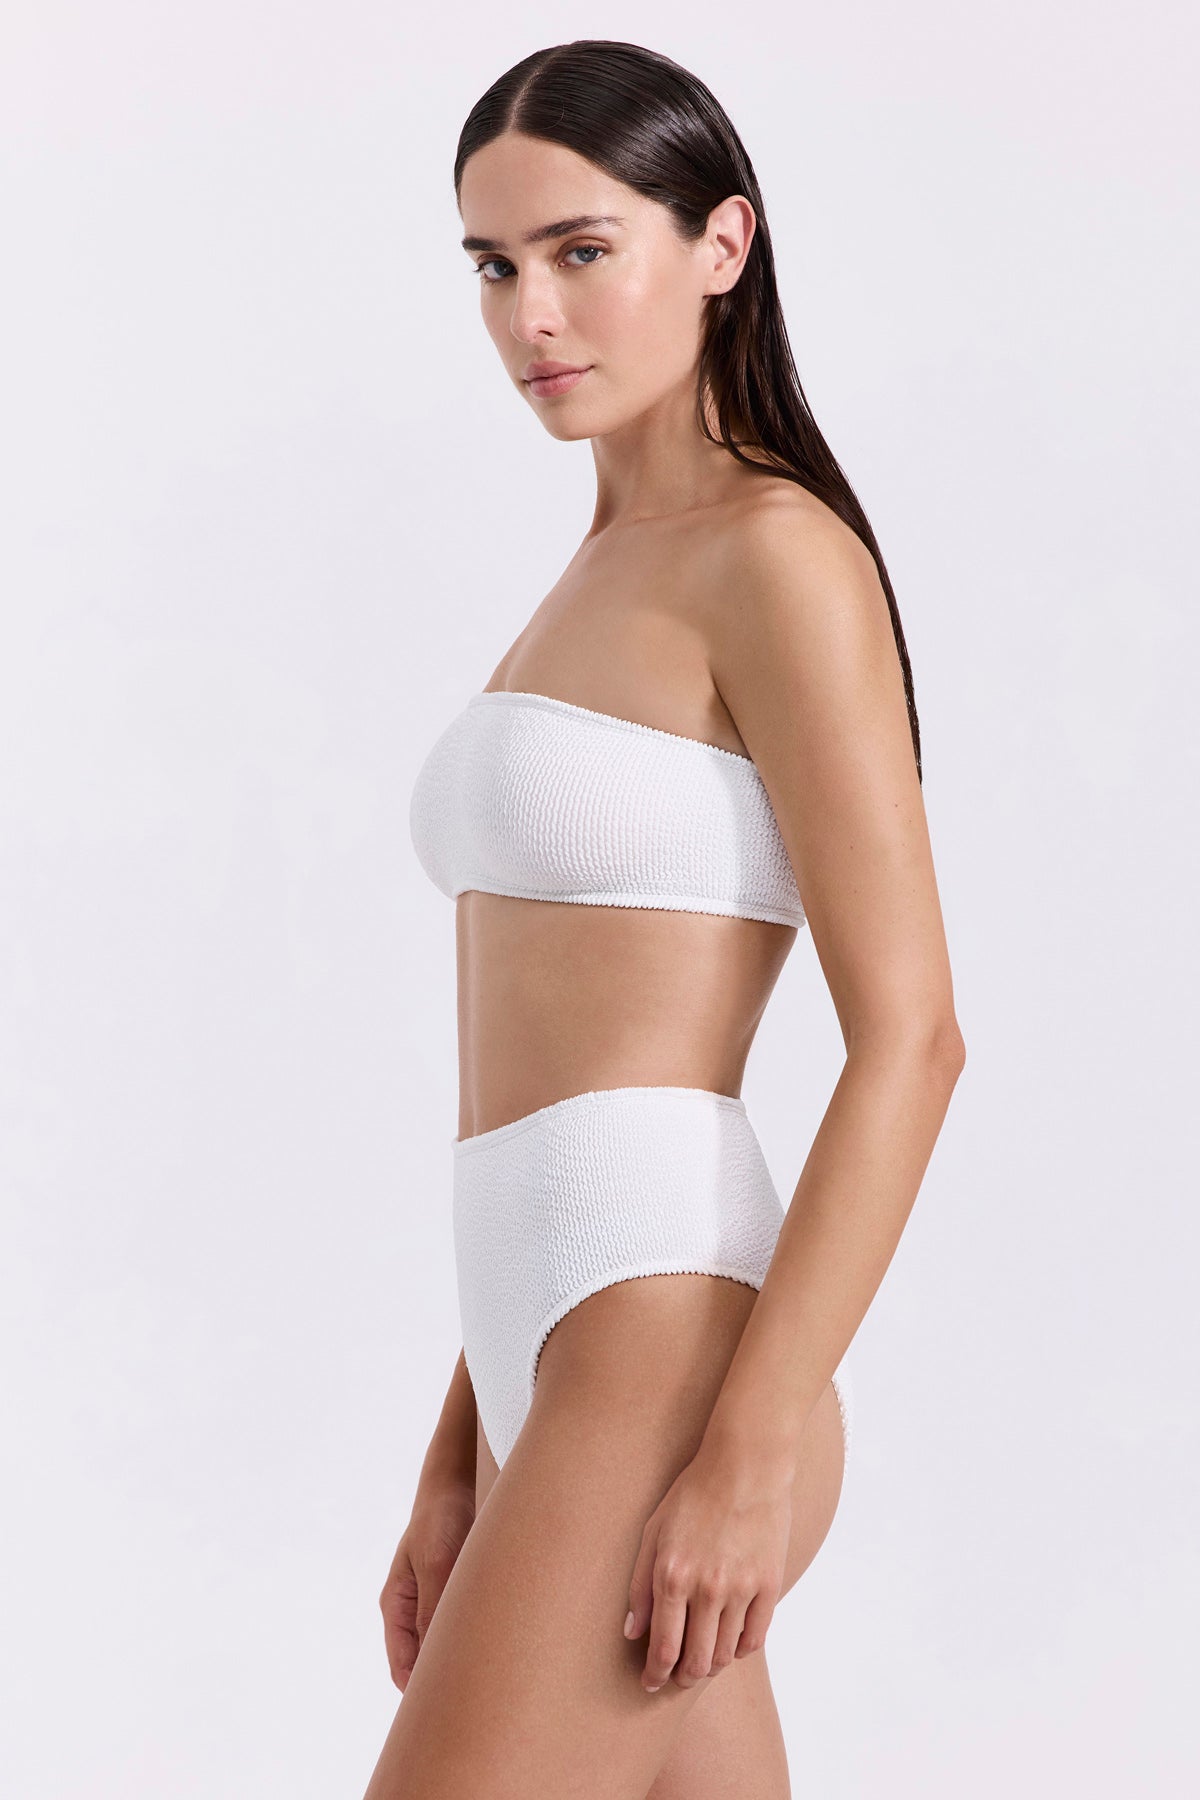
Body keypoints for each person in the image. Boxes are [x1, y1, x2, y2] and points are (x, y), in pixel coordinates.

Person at [364, 38, 965, 1800]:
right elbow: (536, 1054)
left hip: (666, 1341)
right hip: (542, 1340)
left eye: (581, 250)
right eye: (494, 266)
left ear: (722, 243)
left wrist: (753, 1448)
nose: (532, 314)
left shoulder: (775, 555)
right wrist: (462, 1441)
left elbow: (914, 1038)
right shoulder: (592, 568)